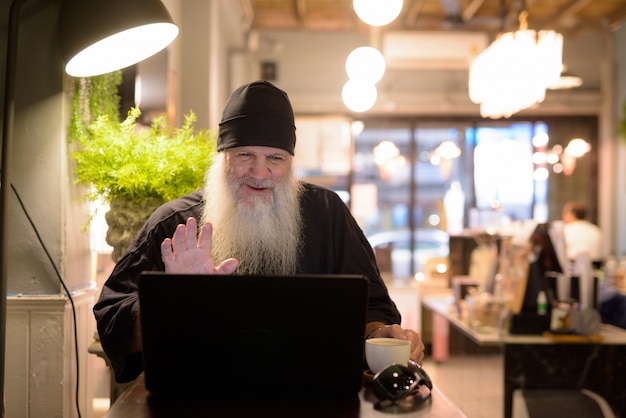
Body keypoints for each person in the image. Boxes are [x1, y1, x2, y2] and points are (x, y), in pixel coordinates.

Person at [93, 80, 425, 383]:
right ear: (223, 157)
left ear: (290, 163)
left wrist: (386, 335)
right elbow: (111, 322)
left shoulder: (328, 214)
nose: (259, 172)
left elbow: (373, 310)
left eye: (275, 159)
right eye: (245, 155)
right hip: (199, 399)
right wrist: (177, 298)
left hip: (314, 398)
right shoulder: (175, 224)